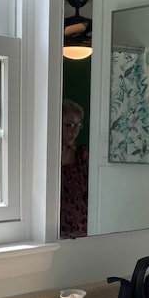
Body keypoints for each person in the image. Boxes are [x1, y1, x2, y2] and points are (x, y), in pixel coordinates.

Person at [60, 98, 89, 238]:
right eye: (70, 125)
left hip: (82, 230)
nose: (75, 131)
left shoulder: (82, 156)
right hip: (54, 232)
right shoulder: (42, 158)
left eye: (78, 126)